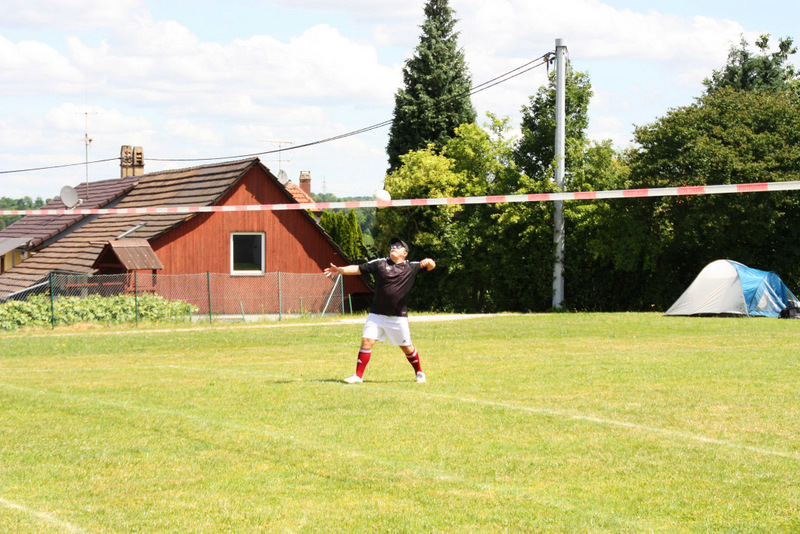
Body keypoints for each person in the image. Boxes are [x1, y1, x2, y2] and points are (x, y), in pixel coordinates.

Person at [324, 237, 436, 384]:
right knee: (366, 340)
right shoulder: (380, 264)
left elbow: (431, 266)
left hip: (398, 317)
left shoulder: (411, 267)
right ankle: (358, 376)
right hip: (376, 314)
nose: (394, 247)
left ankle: (419, 372)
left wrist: (429, 261)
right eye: (393, 245)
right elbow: (358, 269)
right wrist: (339, 270)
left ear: (405, 254)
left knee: (407, 348)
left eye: (399, 246)